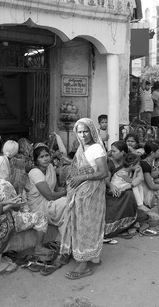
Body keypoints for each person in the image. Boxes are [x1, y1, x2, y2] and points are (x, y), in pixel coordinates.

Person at [60, 118, 108, 280]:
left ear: (92, 131)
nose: (83, 135)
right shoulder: (82, 148)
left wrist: (82, 178)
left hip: (91, 191)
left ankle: (84, 265)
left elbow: (103, 172)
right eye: (79, 132)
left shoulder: (96, 148)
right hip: (81, 190)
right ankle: (85, 255)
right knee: (79, 223)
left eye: (85, 131)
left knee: (86, 224)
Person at [0, 140, 52, 259]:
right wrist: (21, 187)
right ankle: (39, 247)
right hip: (12, 220)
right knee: (41, 216)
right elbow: (16, 206)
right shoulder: (5, 185)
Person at [25, 144, 67, 227]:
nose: (45, 159)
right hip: (38, 207)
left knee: (73, 198)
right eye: (41, 157)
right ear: (36, 161)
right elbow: (50, 196)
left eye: (47, 155)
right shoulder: (35, 172)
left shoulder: (50, 167)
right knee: (67, 202)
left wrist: (68, 190)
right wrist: (66, 192)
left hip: (50, 201)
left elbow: (56, 188)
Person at [104, 141, 138, 239]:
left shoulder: (130, 162)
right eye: (111, 151)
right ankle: (115, 226)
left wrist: (125, 186)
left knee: (129, 194)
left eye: (114, 151)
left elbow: (136, 178)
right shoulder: (110, 163)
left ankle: (128, 224)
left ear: (123, 152)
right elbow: (106, 179)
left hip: (125, 187)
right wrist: (111, 186)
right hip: (111, 189)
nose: (112, 153)